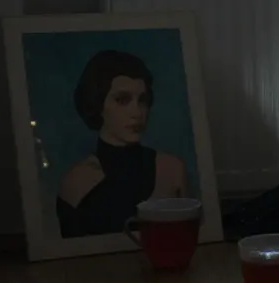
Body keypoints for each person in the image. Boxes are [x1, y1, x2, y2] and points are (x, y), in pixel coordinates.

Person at [56, 49, 190, 237]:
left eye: (142, 100)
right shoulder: (76, 182)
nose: (137, 112)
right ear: (98, 104)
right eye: (122, 100)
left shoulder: (172, 169)